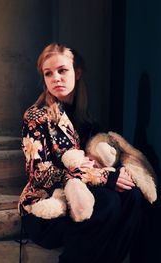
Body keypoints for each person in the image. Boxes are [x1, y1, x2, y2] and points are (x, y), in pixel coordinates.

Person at [18, 43, 145, 263]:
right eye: (48, 73)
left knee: (132, 196)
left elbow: (97, 158)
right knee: (108, 202)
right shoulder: (36, 116)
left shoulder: (86, 118)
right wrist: (105, 177)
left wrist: (120, 171)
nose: (56, 78)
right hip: (46, 208)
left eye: (62, 70)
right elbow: (40, 174)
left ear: (77, 72)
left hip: (83, 199)